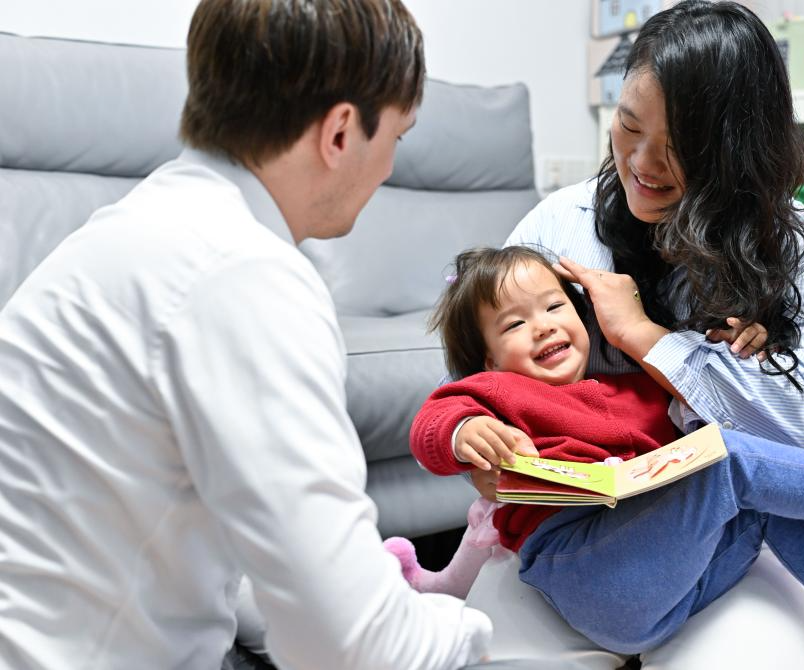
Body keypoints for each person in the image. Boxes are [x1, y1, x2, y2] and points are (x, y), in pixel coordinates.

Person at [0, 1, 492, 668]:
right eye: (396, 140)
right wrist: (478, 631)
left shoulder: (137, 227)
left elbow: (239, 557)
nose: (387, 171)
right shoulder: (243, 275)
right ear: (340, 133)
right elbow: (354, 648)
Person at [465, 4, 804, 663]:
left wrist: (645, 337)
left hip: (720, 546)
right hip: (571, 543)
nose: (643, 163)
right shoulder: (559, 226)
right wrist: (480, 445)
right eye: (628, 126)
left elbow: (795, 431)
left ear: (739, 149)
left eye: (680, 145)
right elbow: (475, 371)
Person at [391, 246, 804, 655]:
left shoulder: (633, 388)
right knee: (725, 459)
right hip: (585, 572)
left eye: (554, 307)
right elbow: (431, 425)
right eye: (514, 324)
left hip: (671, 584)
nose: (542, 327)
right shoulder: (496, 392)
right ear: (489, 359)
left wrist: (734, 350)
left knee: (751, 483)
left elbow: (718, 409)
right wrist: (464, 431)